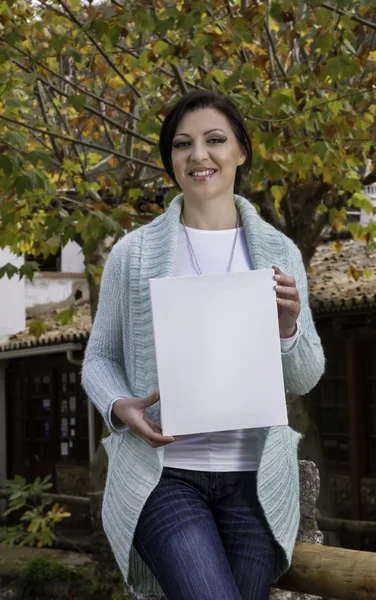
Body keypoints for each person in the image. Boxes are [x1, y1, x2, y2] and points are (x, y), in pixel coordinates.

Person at [82, 91, 325, 600]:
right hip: (164, 478)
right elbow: (100, 358)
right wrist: (118, 405)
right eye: (182, 144)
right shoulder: (134, 252)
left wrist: (288, 326)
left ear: (241, 151)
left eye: (215, 140)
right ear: (170, 160)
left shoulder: (280, 253)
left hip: (254, 483)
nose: (199, 155)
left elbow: (304, 376)